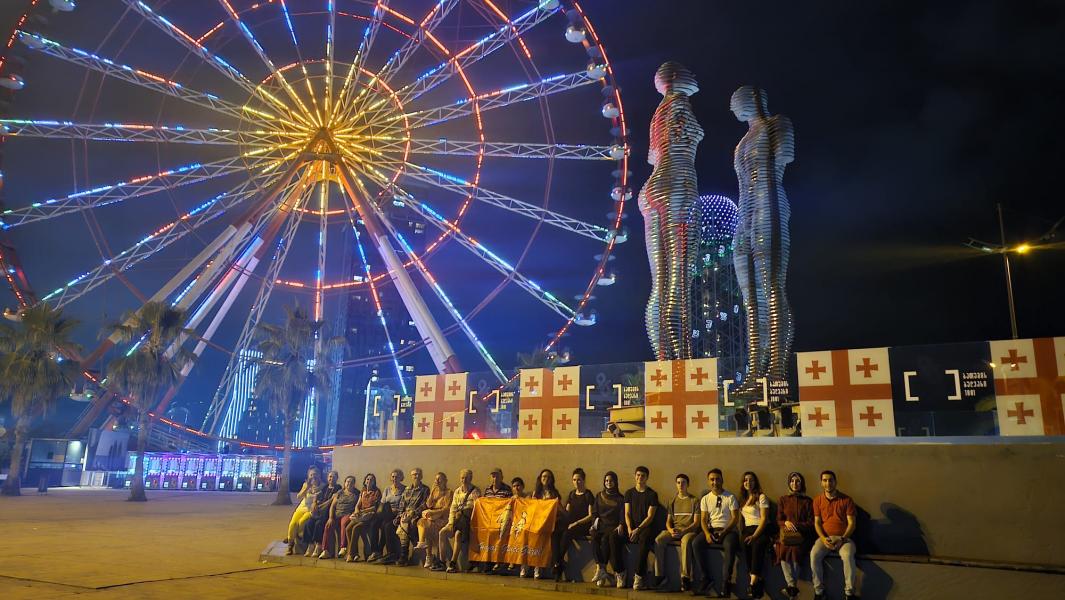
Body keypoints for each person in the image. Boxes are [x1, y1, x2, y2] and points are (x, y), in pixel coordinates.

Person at [692, 468, 740, 598]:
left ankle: (726, 583)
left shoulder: (730, 497)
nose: (715, 482)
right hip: (712, 529)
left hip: (729, 530)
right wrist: (707, 534)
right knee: (696, 543)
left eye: (717, 479)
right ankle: (705, 577)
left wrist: (724, 532)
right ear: (708, 482)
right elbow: (703, 519)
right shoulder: (705, 499)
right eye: (712, 479)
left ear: (722, 480)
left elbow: (735, 518)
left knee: (730, 545)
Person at [811, 470, 858, 600]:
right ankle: (819, 592)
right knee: (814, 555)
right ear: (821, 483)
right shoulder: (817, 500)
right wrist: (822, 538)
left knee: (848, 556)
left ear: (835, 482)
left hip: (844, 539)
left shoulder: (847, 500)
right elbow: (817, 523)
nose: (828, 483)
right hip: (825, 539)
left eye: (830, 480)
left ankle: (849, 593)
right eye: (825, 480)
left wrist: (842, 539)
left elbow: (852, 524)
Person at [652, 473, 700, 592]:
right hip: (675, 530)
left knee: (686, 541)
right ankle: (660, 575)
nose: (680, 485)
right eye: (678, 482)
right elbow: (668, 522)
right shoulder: (672, 501)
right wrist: (670, 530)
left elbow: (696, 523)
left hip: (689, 531)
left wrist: (684, 531)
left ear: (688, 484)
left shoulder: (694, 500)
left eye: (683, 482)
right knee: (659, 539)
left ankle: (685, 577)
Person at [776, 472, 814, 599]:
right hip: (786, 535)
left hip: (802, 535)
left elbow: (811, 522)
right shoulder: (783, 499)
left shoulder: (808, 501)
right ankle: (792, 586)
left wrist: (797, 525)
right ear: (789, 483)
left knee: (797, 550)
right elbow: (778, 519)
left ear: (801, 483)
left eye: (797, 481)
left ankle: (791, 587)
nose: (795, 484)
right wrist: (785, 522)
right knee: (782, 548)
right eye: (792, 481)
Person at [435, 468, 481, 572]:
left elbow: (476, 507)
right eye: (462, 478)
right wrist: (451, 523)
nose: (463, 480)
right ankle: (442, 562)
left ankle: (453, 563)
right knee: (442, 532)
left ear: (470, 478)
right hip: (456, 520)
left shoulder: (475, 491)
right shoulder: (457, 491)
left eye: (466, 478)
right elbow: (453, 508)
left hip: (468, 521)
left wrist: (464, 510)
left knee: (457, 535)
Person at [555, 468, 594, 582]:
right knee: (556, 533)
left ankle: (557, 563)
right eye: (574, 480)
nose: (576, 482)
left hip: (583, 526)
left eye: (579, 480)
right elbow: (566, 513)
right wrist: (558, 506)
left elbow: (590, 515)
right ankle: (558, 563)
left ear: (584, 480)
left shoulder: (588, 494)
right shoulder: (571, 494)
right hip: (571, 525)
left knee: (567, 533)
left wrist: (576, 523)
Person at [623, 465, 659, 590]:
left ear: (647, 478)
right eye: (638, 475)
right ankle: (619, 573)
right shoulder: (629, 493)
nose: (640, 477)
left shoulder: (652, 494)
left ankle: (638, 577)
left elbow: (650, 517)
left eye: (643, 476)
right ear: (635, 476)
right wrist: (629, 528)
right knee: (613, 537)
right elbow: (627, 513)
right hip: (631, 527)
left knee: (644, 540)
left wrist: (638, 529)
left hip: (645, 527)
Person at [590, 471, 626, 589]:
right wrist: (595, 523)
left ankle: (617, 572)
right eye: (606, 481)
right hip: (601, 525)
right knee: (594, 535)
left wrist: (621, 524)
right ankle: (601, 568)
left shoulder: (620, 498)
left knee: (606, 539)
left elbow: (622, 514)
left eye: (611, 481)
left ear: (615, 482)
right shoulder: (599, 495)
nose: (608, 483)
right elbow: (594, 513)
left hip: (613, 527)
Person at [739, 471, 772, 599]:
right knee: (745, 545)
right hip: (747, 529)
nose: (748, 482)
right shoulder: (743, 499)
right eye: (746, 480)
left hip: (760, 529)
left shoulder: (761, 497)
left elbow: (764, 519)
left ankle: (752, 584)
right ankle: (758, 581)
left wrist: (755, 536)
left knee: (757, 545)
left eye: (751, 480)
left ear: (756, 482)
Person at [392, 468, 430, 566]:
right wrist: (400, 515)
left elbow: (424, 505)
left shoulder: (425, 489)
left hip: (417, 515)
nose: (416, 476)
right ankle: (408, 555)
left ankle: (404, 555)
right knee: (403, 522)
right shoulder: (407, 489)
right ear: (411, 476)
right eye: (414, 474)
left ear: (421, 476)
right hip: (406, 515)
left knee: (408, 523)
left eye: (418, 474)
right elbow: (402, 504)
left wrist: (413, 514)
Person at [414, 472, 452, 568]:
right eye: (436, 479)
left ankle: (429, 556)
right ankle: (422, 543)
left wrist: (434, 513)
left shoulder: (449, 492)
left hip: (442, 518)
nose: (437, 481)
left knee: (427, 528)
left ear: (445, 481)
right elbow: (428, 504)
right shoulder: (434, 490)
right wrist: (431, 492)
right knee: (421, 522)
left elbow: (446, 509)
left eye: (439, 479)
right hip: (432, 517)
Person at [368, 468, 405, 563]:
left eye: (397, 476)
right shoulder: (387, 489)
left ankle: (384, 552)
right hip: (386, 513)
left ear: (401, 478)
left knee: (386, 525)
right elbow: (382, 504)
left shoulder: (405, 489)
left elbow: (404, 505)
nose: (394, 478)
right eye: (393, 476)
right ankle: (375, 551)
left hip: (396, 514)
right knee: (373, 524)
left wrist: (395, 510)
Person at [481, 468, 513, 575]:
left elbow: (508, 506)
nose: (495, 478)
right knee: (486, 533)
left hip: (501, 520)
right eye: (493, 476)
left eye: (497, 476)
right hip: (489, 520)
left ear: (502, 477)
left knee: (498, 533)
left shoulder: (507, 489)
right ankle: (487, 562)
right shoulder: (487, 490)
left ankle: (498, 563)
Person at [532, 469, 562, 579]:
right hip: (538, 522)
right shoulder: (536, 493)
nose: (546, 479)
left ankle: (548, 565)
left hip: (550, 523)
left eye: (548, 477)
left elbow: (558, 509)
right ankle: (534, 566)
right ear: (540, 478)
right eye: (544, 476)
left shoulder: (554, 493)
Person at [303, 470, 342, 557]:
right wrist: (314, 502)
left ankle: (318, 545)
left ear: (337, 478)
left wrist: (322, 505)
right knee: (308, 523)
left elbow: (333, 501)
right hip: (320, 510)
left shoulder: (338, 488)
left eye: (333, 477)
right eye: (330, 476)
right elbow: (317, 495)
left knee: (319, 524)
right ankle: (310, 544)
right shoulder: (325, 487)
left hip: (329, 511)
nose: (331, 478)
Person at [344, 473, 381, 562]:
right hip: (360, 514)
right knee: (348, 528)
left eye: (371, 479)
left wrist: (362, 511)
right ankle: (355, 553)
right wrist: (357, 510)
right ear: (365, 481)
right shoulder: (363, 491)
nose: (369, 481)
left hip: (369, 516)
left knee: (356, 528)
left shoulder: (376, 492)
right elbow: (358, 504)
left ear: (374, 482)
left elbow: (375, 507)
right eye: (367, 479)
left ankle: (350, 553)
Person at [320, 475, 359, 559]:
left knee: (344, 523)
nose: (349, 483)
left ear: (354, 484)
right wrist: (330, 517)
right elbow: (332, 507)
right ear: (344, 483)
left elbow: (358, 506)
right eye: (347, 481)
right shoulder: (339, 493)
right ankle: (325, 550)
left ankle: (343, 547)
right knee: (328, 525)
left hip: (348, 514)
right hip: (336, 515)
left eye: (351, 482)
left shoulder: (356, 494)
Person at [286, 468, 322, 555]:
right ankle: (290, 545)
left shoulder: (323, 486)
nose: (314, 476)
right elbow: (299, 496)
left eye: (315, 474)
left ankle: (294, 536)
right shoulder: (306, 485)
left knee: (302, 522)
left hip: (311, 509)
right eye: (311, 475)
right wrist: (307, 488)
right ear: (308, 476)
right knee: (293, 523)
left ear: (319, 475)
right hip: (302, 507)